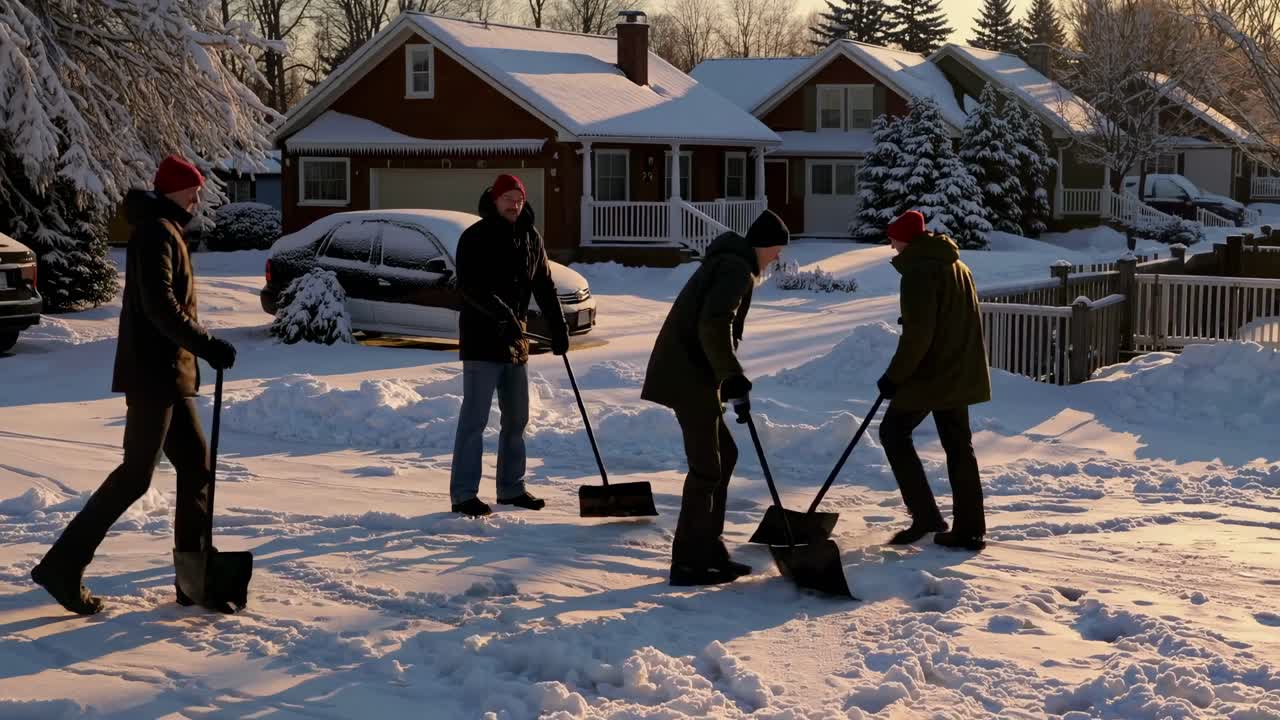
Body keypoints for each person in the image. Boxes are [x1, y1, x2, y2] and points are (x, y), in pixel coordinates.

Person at [31, 155, 238, 615]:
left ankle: (194, 580)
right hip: (154, 375)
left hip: (169, 375)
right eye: (192, 189)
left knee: (196, 469)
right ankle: (61, 566)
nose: (198, 197)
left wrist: (197, 352)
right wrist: (205, 344)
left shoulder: (165, 229)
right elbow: (159, 305)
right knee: (135, 476)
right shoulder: (155, 231)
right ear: (171, 191)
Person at [641, 210, 790, 586]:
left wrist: (727, 381)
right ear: (765, 245)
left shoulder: (732, 264)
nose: (777, 258)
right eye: (776, 250)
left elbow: (713, 328)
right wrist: (732, 377)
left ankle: (708, 547)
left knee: (726, 455)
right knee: (707, 467)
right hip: (686, 375)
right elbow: (713, 323)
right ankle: (689, 561)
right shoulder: (735, 269)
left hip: (693, 373)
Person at [450, 174, 569, 517]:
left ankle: (511, 488)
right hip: (481, 341)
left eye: (519, 198)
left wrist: (558, 327)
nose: (514, 204)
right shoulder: (475, 237)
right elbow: (470, 286)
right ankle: (463, 495)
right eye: (508, 198)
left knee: (517, 418)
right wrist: (502, 315)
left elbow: (544, 285)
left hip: (515, 343)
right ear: (495, 198)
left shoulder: (531, 237)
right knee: (474, 420)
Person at [876, 210, 991, 551]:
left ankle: (926, 516)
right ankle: (969, 528)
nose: (891, 245)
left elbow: (918, 336)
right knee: (959, 448)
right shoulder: (956, 264)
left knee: (892, 433)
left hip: (933, 374)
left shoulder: (917, 272)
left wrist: (893, 378)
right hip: (959, 369)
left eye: (893, 238)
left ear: (905, 240)